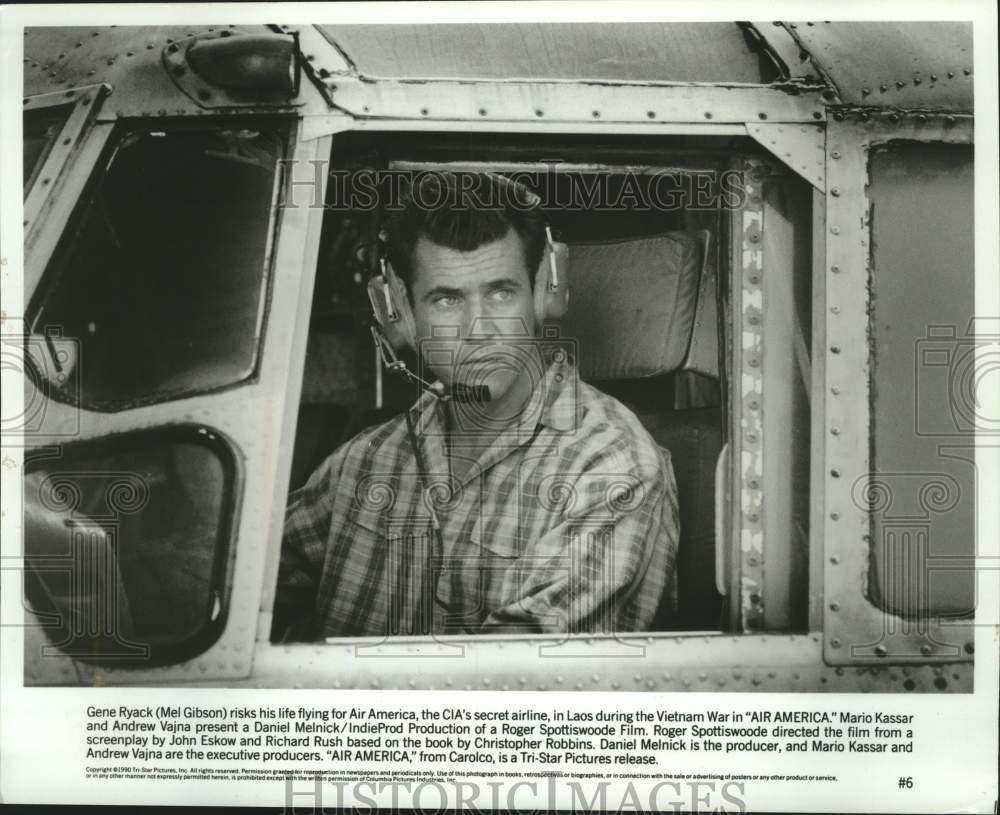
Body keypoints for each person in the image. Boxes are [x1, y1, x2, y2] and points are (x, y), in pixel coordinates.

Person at [275, 172, 678, 639]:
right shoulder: (366, 461)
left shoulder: (610, 466)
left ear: (545, 290)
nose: (478, 329)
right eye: (446, 300)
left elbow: (512, 680)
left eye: (502, 293)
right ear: (399, 314)